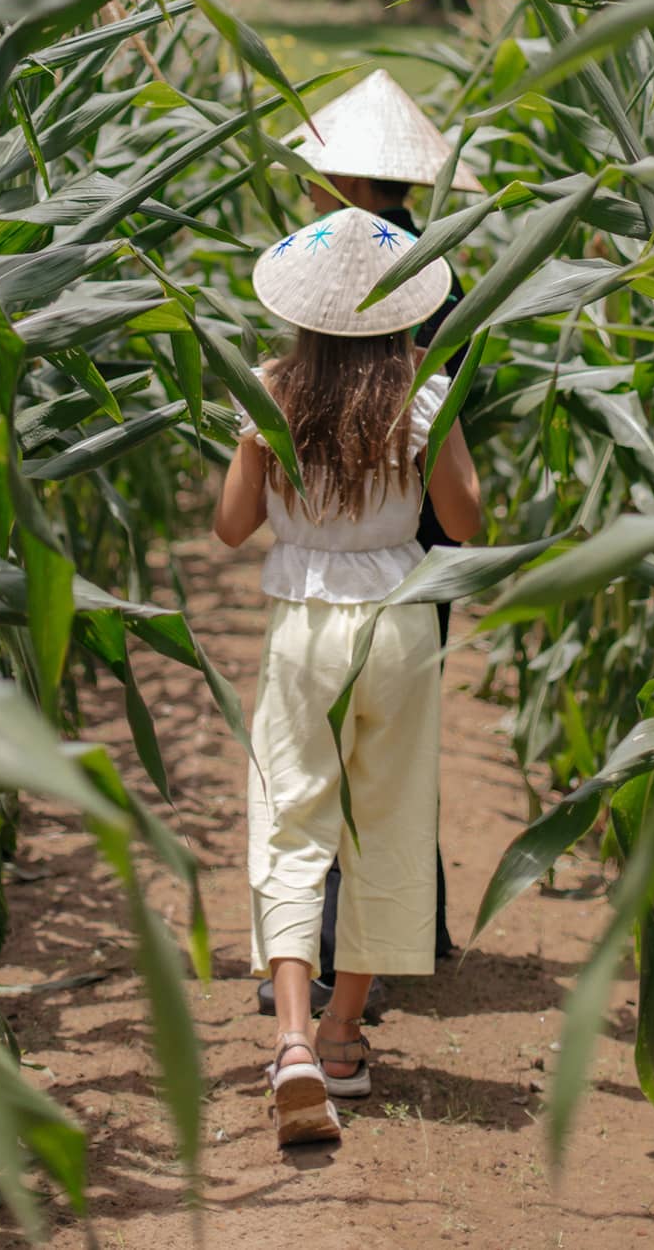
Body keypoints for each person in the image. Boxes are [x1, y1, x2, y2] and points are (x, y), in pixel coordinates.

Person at [214, 205, 483, 1147]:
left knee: (291, 819)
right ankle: (341, 1036)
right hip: (399, 626)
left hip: (303, 627)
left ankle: (289, 1039)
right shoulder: (422, 395)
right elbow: (464, 521)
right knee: (386, 818)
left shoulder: (272, 391)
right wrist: (440, 417)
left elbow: (231, 527)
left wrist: (259, 441)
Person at [252, 69, 483, 1019]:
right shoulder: (441, 275)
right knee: (392, 762)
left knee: (316, 776)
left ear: (350, 182)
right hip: (410, 557)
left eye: (316, 180)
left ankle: (320, 968)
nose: (307, 193)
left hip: (349, 563)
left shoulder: (375, 279)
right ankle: (397, 946)